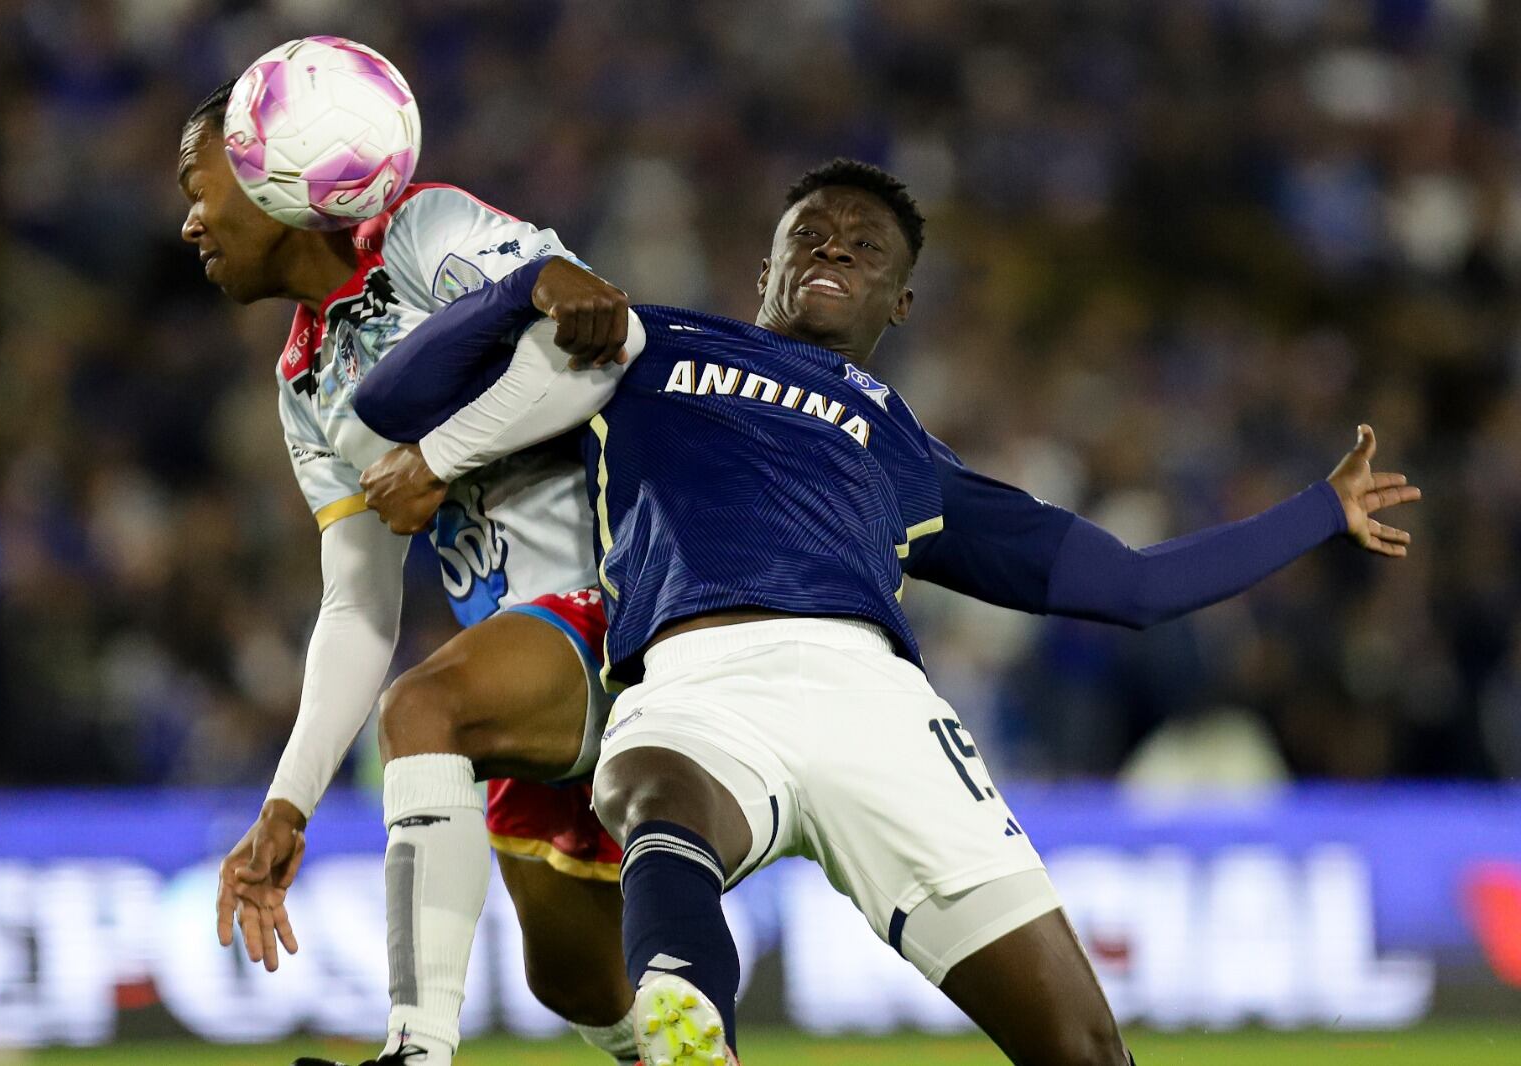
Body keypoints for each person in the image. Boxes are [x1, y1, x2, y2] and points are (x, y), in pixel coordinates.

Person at [352, 159, 1421, 1066]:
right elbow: (392, 405)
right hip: (696, 671)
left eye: (864, 247)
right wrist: (522, 290)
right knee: (649, 792)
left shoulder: (914, 460)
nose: (833, 248)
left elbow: (1133, 588)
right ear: (761, 266)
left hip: (879, 707)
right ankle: (684, 1012)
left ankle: (681, 993)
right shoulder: (648, 346)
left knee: (1085, 1048)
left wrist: (1315, 511)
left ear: (900, 302)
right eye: (806, 233)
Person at [175, 78, 646, 1066]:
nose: (189, 222)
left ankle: (416, 1052)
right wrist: (287, 802)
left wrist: (439, 457)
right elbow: (356, 605)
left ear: (268, 178)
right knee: (573, 977)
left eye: (197, 184)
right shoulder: (304, 383)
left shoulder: (424, 232)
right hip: (531, 652)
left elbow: (599, 342)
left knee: (420, 714)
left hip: (634, 601)